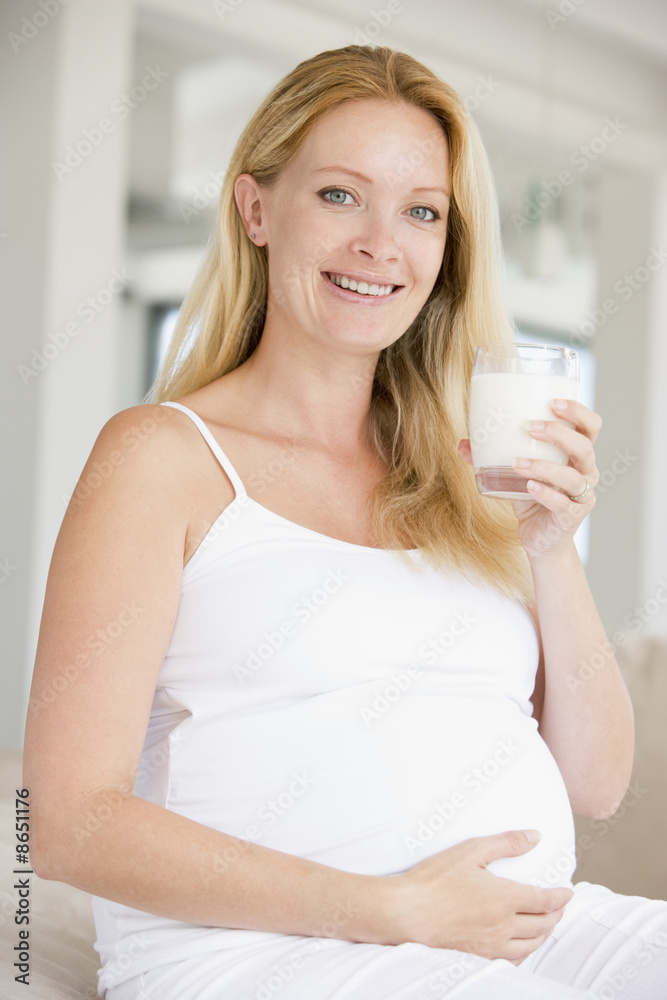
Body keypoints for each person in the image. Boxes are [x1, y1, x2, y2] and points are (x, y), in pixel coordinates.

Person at [23, 44, 666, 1000]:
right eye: (338, 196)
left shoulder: (460, 470)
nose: (381, 243)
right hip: (260, 954)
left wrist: (548, 548)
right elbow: (64, 819)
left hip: (528, 930)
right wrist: (392, 909)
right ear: (255, 210)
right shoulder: (163, 455)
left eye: (420, 211)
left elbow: (596, 786)